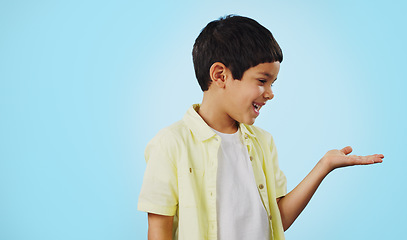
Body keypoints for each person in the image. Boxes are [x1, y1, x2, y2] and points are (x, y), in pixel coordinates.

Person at [138, 15, 383, 240]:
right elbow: (159, 230)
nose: (270, 94)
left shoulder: (263, 142)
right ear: (220, 75)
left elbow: (279, 219)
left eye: (273, 83)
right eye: (262, 81)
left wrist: (323, 166)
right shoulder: (170, 144)